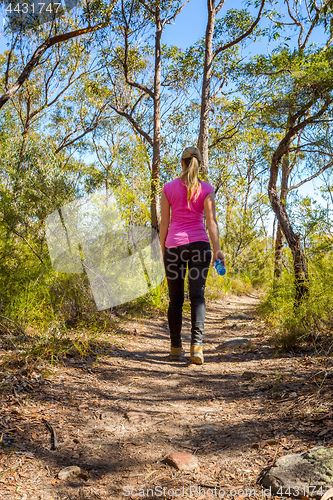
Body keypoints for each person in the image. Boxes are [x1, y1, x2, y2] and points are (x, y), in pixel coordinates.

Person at [160, 146, 225, 365]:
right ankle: (197, 348)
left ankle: (175, 348)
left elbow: (165, 224)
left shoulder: (168, 188)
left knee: (175, 300)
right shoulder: (206, 188)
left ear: (182, 163)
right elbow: (211, 221)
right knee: (197, 297)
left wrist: (163, 250)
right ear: (198, 164)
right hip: (200, 246)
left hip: (174, 247)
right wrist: (217, 250)